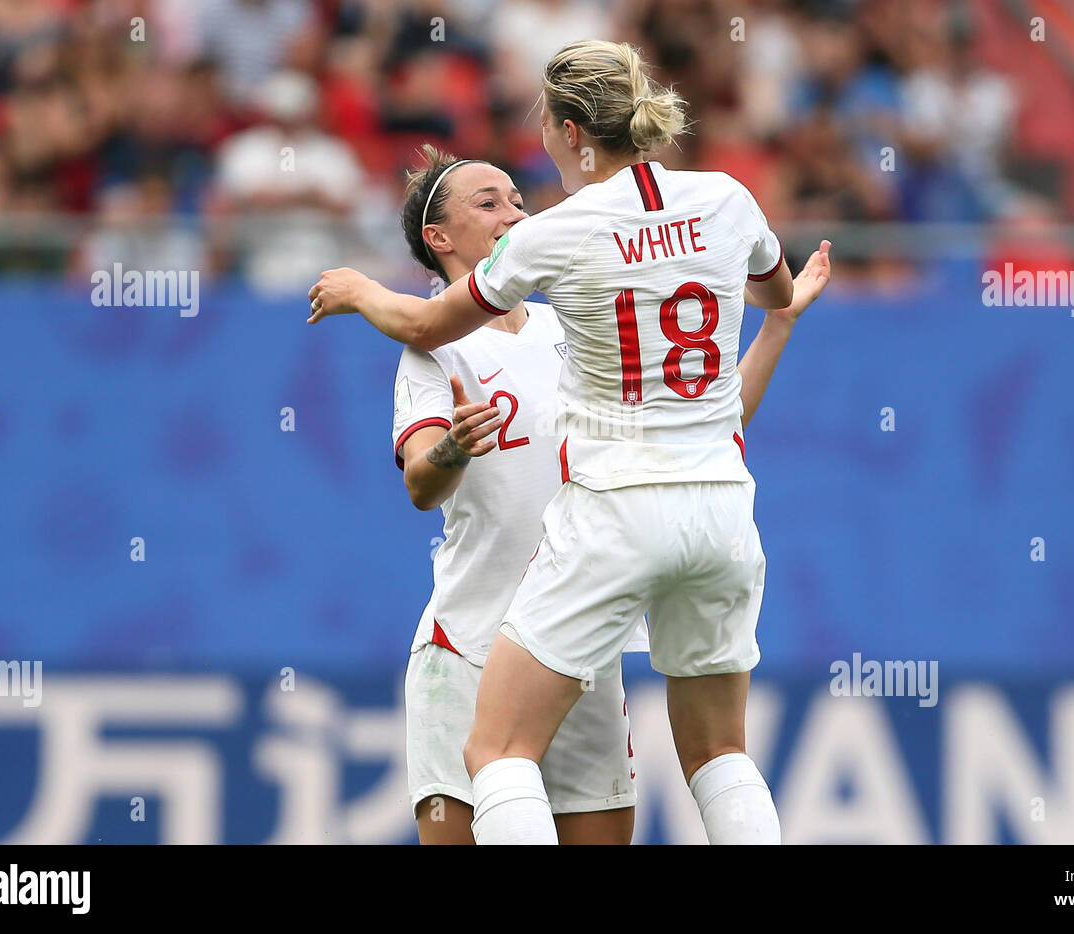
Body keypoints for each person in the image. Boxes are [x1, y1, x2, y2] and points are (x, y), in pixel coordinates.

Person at [308, 40, 832, 845]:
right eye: (488, 201)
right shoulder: (728, 198)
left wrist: (355, 287)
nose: (514, 207)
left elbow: (417, 315)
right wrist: (781, 315)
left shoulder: (559, 249)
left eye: (539, 141)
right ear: (437, 235)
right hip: (715, 514)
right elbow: (776, 289)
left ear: (570, 130)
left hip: (607, 540)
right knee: (721, 752)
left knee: (498, 751)